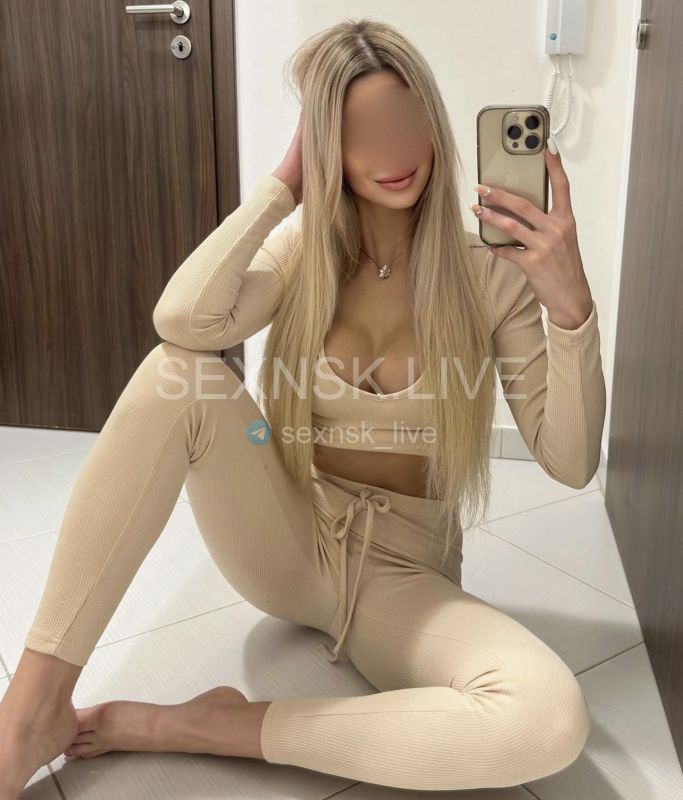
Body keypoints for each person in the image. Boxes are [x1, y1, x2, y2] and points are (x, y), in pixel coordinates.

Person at [0, 17, 606, 796]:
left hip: (402, 574)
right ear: (325, 147)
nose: (390, 153)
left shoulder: (488, 273)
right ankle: (31, 711)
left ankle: (207, 725)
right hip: (286, 535)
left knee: (546, 718)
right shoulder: (303, 251)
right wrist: (281, 188)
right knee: (176, 376)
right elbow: (183, 321)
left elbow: (569, 462)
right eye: (357, 134)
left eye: (404, 123)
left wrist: (569, 308)